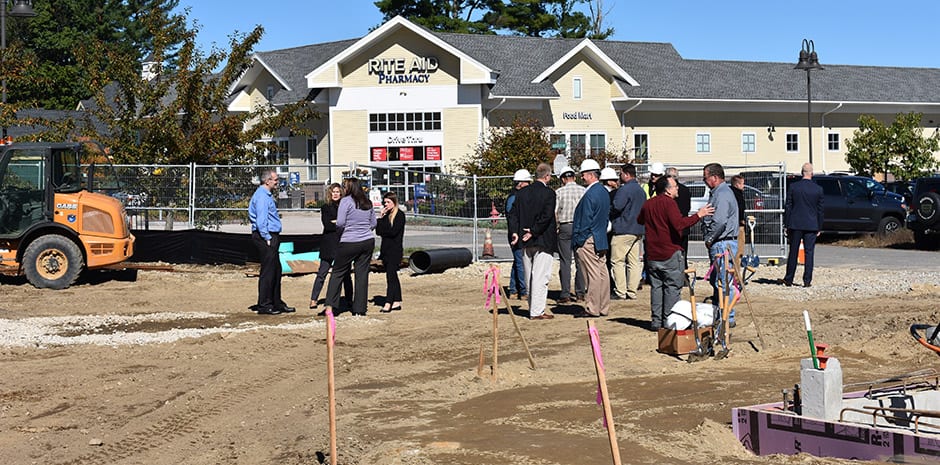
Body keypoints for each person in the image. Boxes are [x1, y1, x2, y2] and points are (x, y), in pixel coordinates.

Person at [638, 175, 714, 330]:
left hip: (652, 253)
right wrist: (698, 215)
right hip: (669, 251)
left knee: (656, 288)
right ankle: (669, 321)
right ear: (667, 190)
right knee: (672, 287)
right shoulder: (669, 203)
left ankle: (656, 321)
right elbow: (679, 224)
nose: (677, 188)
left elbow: (640, 220)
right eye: (674, 186)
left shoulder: (648, 204)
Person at [508, 163, 558, 320]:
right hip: (542, 239)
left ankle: (533, 307)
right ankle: (537, 311)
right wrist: (534, 231)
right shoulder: (549, 194)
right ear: (547, 176)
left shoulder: (521, 194)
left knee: (529, 275)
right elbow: (546, 216)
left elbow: (513, 215)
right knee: (540, 276)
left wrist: (515, 232)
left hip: (523, 239)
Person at [325, 177, 376, 316]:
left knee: (337, 272)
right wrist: (363, 230)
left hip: (349, 241)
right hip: (367, 241)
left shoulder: (346, 201)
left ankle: (330, 305)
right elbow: (373, 224)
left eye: (344, 186)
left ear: (349, 188)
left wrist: (346, 232)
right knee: (362, 275)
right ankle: (359, 309)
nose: (343, 189)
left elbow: (340, 222)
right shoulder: (367, 202)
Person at [248, 170, 295, 315]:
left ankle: (276, 302)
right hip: (265, 237)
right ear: (267, 181)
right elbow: (261, 220)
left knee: (276, 270)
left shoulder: (266, 195)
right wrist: (267, 237)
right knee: (268, 272)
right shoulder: (262, 197)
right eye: (275, 179)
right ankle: (265, 305)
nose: (277, 182)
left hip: (270, 235)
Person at [572, 159, 611, 318]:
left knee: (593, 273)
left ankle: (593, 307)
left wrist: (579, 240)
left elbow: (585, 219)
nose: (582, 177)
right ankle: (603, 306)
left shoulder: (590, 194)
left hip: (589, 237)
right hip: (600, 236)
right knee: (602, 271)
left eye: (583, 174)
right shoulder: (603, 192)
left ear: (590, 175)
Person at [701, 162, 739, 326]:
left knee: (723, 282)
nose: (704, 181)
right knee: (719, 282)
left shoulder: (722, 195)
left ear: (714, 178)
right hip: (721, 242)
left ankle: (727, 317)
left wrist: (710, 238)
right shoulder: (718, 193)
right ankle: (720, 314)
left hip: (722, 243)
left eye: (705, 178)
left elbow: (720, 221)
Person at [310, 183, 352, 311]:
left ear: (341, 193)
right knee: (322, 273)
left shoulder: (345, 207)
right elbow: (328, 225)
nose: (335, 194)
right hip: (328, 244)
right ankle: (314, 299)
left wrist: (336, 222)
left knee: (346, 274)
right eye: (333, 192)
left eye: (338, 192)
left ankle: (349, 299)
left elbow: (347, 224)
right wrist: (337, 223)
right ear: (330, 193)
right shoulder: (325, 207)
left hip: (342, 243)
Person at [783, 162, 824, 287]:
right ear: (812, 173)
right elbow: (820, 210)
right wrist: (819, 226)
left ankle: (789, 278)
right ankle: (807, 281)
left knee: (793, 252)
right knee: (809, 253)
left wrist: (786, 224)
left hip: (795, 224)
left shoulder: (794, 187)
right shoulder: (818, 189)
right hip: (811, 224)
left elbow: (788, 206)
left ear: (802, 173)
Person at [609, 163, 645, 300]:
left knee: (617, 261)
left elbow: (617, 206)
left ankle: (620, 291)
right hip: (637, 229)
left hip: (624, 229)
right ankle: (632, 291)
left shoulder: (624, 190)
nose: (620, 176)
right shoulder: (640, 190)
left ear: (626, 174)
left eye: (621, 173)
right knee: (634, 262)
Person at [555, 165, 586, 304]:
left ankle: (565, 293)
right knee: (580, 261)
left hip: (565, 226)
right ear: (574, 177)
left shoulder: (559, 192)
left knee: (565, 261)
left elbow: (555, 212)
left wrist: (557, 227)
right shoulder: (583, 190)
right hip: (580, 227)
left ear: (563, 179)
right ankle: (580, 293)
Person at [377, 191, 406, 312]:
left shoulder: (399, 215)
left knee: (391, 276)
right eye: (385, 202)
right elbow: (378, 231)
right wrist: (381, 217)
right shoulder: (386, 216)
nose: (386, 205)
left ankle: (388, 302)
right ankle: (397, 300)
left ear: (394, 202)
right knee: (392, 275)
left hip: (395, 250)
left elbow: (393, 232)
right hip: (386, 250)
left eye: (388, 202)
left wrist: (385, 230)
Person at [505, 169, 531, 300]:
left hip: (517, 232)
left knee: (518, 262)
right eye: (527, 182)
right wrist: (515, 232)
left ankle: (514, 289)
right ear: (520, 183)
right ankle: (524, 290)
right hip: (516, 234)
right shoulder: (514, 198)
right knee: (521, 262)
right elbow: (511, 218)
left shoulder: (516, 197)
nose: (528, 185)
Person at [665, 166, 692, 268]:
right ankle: (684, 273)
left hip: (672, 226)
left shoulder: (667, 191)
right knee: (683, 252)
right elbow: (688, 207)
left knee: (672, 253)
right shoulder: (685, 190)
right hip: (684, 224)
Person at [730, 174, 747, 268]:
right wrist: (741, 220)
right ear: (737, 184)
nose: (743, 186)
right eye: (742, 184)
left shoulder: (728, 193)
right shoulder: (738, 195)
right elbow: (740, 208)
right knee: (739, 250)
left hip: (730, 225)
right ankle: (736, 275)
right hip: (738, 225)